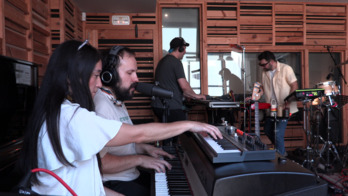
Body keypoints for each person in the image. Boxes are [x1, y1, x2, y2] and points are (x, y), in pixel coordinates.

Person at [17, 40, 222, 196]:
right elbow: (138, 133)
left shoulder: (58, 112)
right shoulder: (72, 118)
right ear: (73, 76)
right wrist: (189, 124)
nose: (98, 84)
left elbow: (88, 184)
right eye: (95, 75)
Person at [94, 46, 174, 196]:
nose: (136, 79)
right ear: (109, 75)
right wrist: (140, 159)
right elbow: (101, 164)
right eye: (130, 73)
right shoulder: (101, 106)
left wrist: (145, 148)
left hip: (130, 176)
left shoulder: (115, 100)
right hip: (115, 183)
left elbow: (121, 144)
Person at [151, 37, 206, 145]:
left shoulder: (162, 61)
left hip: (158, 106)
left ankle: (171, 155)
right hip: (170, 107)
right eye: (184, 49)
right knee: (190, 131)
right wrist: (197, 96)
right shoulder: (176, 62)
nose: (185, 52)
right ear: (179, 49)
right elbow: (184, 86)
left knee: (169, 134)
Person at [257, 51, 298, 156]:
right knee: (267, 130)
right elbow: (262, 88)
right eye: (260, 65)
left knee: (278, 133)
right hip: (272, 107)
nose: (262, 67)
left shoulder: (286, 69)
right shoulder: (264, 72)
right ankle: (281, 151)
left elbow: (294, 85)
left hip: (285, 108)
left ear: (271, 62)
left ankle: (282, 157)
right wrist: (254, 95)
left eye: (263, 64)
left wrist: (289, 101)